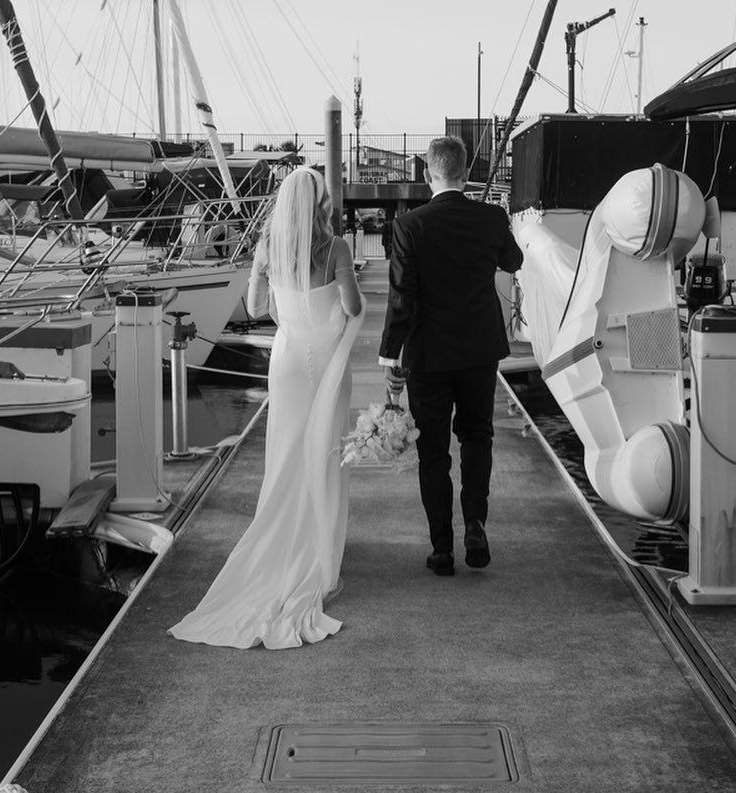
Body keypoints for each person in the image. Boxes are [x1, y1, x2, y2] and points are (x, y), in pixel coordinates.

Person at [169, 166, 364, 648]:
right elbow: (354, 308)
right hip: (326, 361)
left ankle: (284, 540)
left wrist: (265, 276)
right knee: (325, 451)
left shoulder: (268, 246)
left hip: (289, 360)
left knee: (287, 454)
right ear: (320, 203)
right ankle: (321, 551)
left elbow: (258, 309)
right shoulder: (336, 248)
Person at [378, 136, 523, 577]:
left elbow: (402, 296)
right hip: (479, 349)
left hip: (428, 354)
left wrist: (391, 357)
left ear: (427, 174)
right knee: (477, 437)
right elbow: (514, 261)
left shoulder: (409, 225)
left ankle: (442, 548)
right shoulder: (491, 217)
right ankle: (475, 524)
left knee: (433, 452)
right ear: (465, 172)